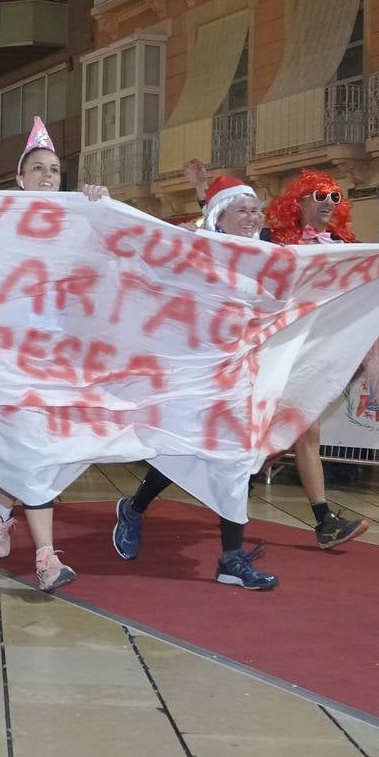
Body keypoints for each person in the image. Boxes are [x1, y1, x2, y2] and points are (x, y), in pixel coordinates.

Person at [112, 175, 278, 590]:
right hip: (188, 374)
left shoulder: (268, 257)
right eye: (242, 210)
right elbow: (141, 269)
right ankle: (134, 509)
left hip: (237, 378)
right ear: (219, 217)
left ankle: (230, 560)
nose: (252, 217)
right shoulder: (193, 249)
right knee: (177, 450)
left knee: (235, 463)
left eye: (256, 210)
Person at [0, 117, 109, 591]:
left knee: (69, 450)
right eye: (39, 169)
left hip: (60, 358)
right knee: (38, 453)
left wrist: (99, 212)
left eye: (56, 170)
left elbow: (110, 262)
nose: (49, 176)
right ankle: (46, 559)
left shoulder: (72, 227)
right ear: (20, 179)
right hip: (11, 360)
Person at [262, 170, 372, 548]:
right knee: (256, 439)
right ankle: (142, 501)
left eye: (335, 197)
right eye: (320, 196)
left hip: (314, 351)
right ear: (300, 201)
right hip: (272, 350)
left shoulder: (344, 244)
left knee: (304, 431)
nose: (329, 204)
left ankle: (325, 521)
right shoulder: (271, 240)